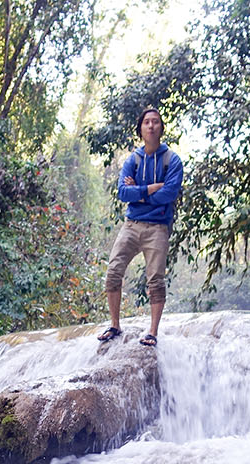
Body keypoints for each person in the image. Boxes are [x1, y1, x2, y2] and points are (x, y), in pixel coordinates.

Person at [96, 106, 183, 349]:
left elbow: (169, 193)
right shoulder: (133, 160)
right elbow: (123, 193)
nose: (151, 126)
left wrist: (139, 194)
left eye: (156, 122)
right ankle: (114, 325)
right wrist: (149, 189)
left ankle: (153, 331)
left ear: (161, 128)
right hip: (132, 224)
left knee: (155, 279)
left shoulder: (172, 160)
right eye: (147, 122)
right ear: (141, 128)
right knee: (113, 270)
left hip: (157, 228)